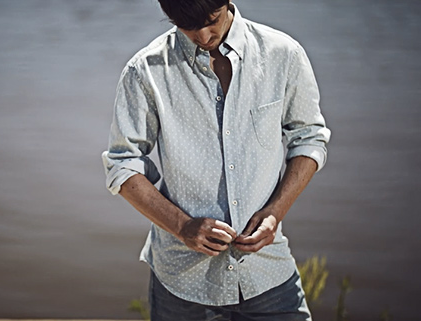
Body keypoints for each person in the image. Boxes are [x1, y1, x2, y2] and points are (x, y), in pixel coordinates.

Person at [101, 0, 331, 320]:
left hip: (267, 273)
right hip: (181, 283)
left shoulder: (283, 55)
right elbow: (123, 164)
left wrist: (275, 213)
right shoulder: (145, 71)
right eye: (188, 26)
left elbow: (309, 137)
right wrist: (183, 227)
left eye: (212, 19)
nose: (205, 35)